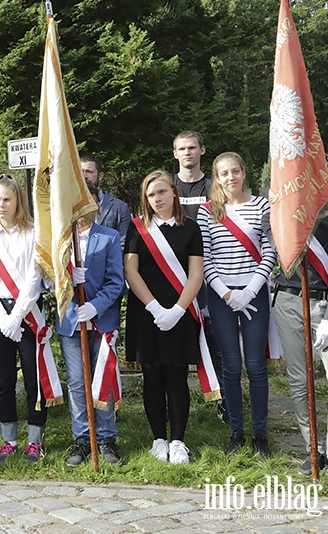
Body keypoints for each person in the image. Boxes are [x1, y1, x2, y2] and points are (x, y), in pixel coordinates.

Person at [197, 153, 276, 457]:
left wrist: (250, 290)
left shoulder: (261, 205)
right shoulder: (208, 211)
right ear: (216, 178)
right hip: (221, 296)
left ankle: (259, 433)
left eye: (235, 172)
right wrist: (229, 295)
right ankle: (236, 432)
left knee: (256, 365)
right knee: (231, 365)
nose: (231, 178)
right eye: (224, 174)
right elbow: (206, 259)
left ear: (244, 173)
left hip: (254, 292)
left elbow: (269, 251)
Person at [124, 171, 204, 465]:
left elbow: (196, 274)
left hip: (180, 311)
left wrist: (178, 310)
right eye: (150, 195)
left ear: (173, 192)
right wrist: (155, 308)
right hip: (147, 312)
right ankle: (159, 439)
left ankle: (179, 441)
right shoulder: (137, 229)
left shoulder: (190, 229)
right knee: (152, 376)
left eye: (161, 192)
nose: (157, 199)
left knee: (177, 377)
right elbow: (131, 271)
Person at [273, 204, 328, 475]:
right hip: (288, 302)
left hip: (326, 306)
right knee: (300, 382)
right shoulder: (282, 211)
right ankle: (316, 449)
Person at [0, 174, 50, 464]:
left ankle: (35, 441)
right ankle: (9, 440)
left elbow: (35, 278)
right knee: (4, 382)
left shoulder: (33, 234)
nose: (1, 205)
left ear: (18, 200)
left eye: (7, 199)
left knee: (34, 381)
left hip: (28, 314)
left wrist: (17, 316)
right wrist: (2, 318)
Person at [57, 184, 125, 466]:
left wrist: (95, 305)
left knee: (103, 381)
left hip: (101, 320)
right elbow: (50, 280)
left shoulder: (108, 238)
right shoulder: (61, 239)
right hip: (71, 322)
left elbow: (116, 281)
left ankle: (107, 437)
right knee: (76, 382)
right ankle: (83, 437)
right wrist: (65, 282)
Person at [172, 130, 226, 424]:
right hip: (175, 274)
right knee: (177, 339)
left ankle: (224, 401)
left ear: (202, 150)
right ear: (175, 154)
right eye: (182, 149)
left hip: (211, 274)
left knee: (216, 339)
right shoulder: (168, 186)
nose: (188, 153)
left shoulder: (214, 186)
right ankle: (177, 406)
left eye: (192, 147)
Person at [80, 154, 131, 246]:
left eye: (89, 171)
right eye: (80, 171)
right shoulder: (69, 207)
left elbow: (123, 245)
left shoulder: (120, 207)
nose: (84, 176)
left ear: (100, 176)